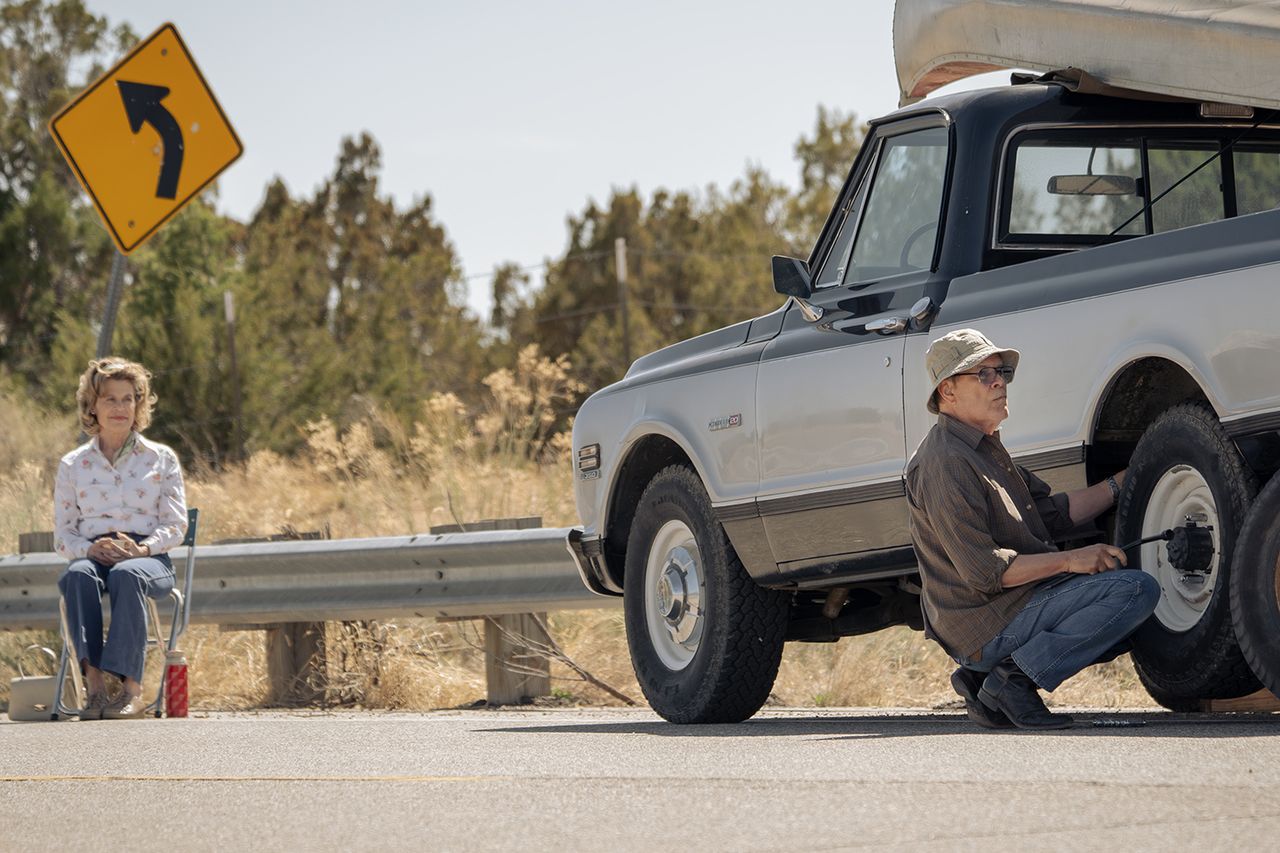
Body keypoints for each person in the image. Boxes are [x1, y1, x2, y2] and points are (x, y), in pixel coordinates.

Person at [905, 329, 1160, 730]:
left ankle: (983, 683)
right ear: (948, 390)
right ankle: (1011, 680)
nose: (1000, 382)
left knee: (1130, 617)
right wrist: (1073, 561)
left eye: (1001, 372)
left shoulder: (983, 447)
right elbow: (986, 571)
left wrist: (1121, 483)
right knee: (1135, 592)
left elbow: (1050, 514)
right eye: (984, 374)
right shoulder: (945, 462)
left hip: (1012, 607)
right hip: (986, 624)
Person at [54, 357, 188, 720]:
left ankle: (130, 689)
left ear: (139, 405)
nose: (119, 407)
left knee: (128, 575)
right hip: (94, 553)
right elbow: (63, 535)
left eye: (128, 398)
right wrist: (89, 548)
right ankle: (95, 687)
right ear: (92, 406)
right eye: (110, 399)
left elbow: (176, 526)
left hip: (149, 557)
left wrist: (142, 548)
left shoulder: (161, 459)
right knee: (77, 574)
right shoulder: (73, 465)